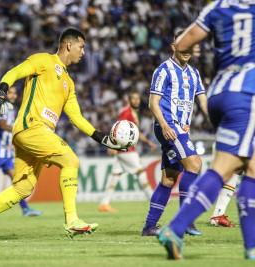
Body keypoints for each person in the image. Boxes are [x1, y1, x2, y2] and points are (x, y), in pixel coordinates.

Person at [0, 28, 125, 242]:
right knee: (71, 160)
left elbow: (77, 118)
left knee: (23, 188)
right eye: (82, 46)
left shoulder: (69, 82)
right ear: (69, 45)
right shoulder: (43, 60)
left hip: (34, 134)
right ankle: (72, 220)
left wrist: (103, 138)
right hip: (31, 127)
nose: (83, 52)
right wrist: (2, 91)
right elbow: (14, 72)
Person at [157, 1, 255, 260]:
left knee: (235, 165)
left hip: (220, 93)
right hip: (248, 92)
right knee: (238, 169)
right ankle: (178, 228)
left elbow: (183, 43)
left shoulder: (217, 7)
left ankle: (178, 229)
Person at [142, 30, 208, 237]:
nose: (187, 50)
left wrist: (216, 118)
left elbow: (203, 101)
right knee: (195, 163)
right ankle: (185, 220)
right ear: (174, 46)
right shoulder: (163, 70)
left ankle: (149, 227)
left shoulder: (194, 73)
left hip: (182, 129)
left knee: (169, 178)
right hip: (169, 126)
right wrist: (165, 125)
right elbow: (153, 103)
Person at [0, 86, 42, 217]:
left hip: (7, 152)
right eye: (10, 93)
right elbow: (3, 125)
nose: (13, 95)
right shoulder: (2, 106)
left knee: (16, 179)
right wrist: (21, 130)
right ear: (4, 95)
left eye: (15, 93)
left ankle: (25, 209)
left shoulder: (12, 108)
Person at [99, 89, 157, 213]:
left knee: (115, 175)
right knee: (140, 171)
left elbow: (136, 133)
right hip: (127, 149)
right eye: (134, 98)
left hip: (125, 149)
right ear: (129, 100)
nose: (136, 100)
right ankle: (154, 200)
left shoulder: (133, 112)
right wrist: (112, 145)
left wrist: (147, 142)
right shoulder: (126, 113)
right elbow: (117, 128)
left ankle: (104, 203)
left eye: (138, 98)